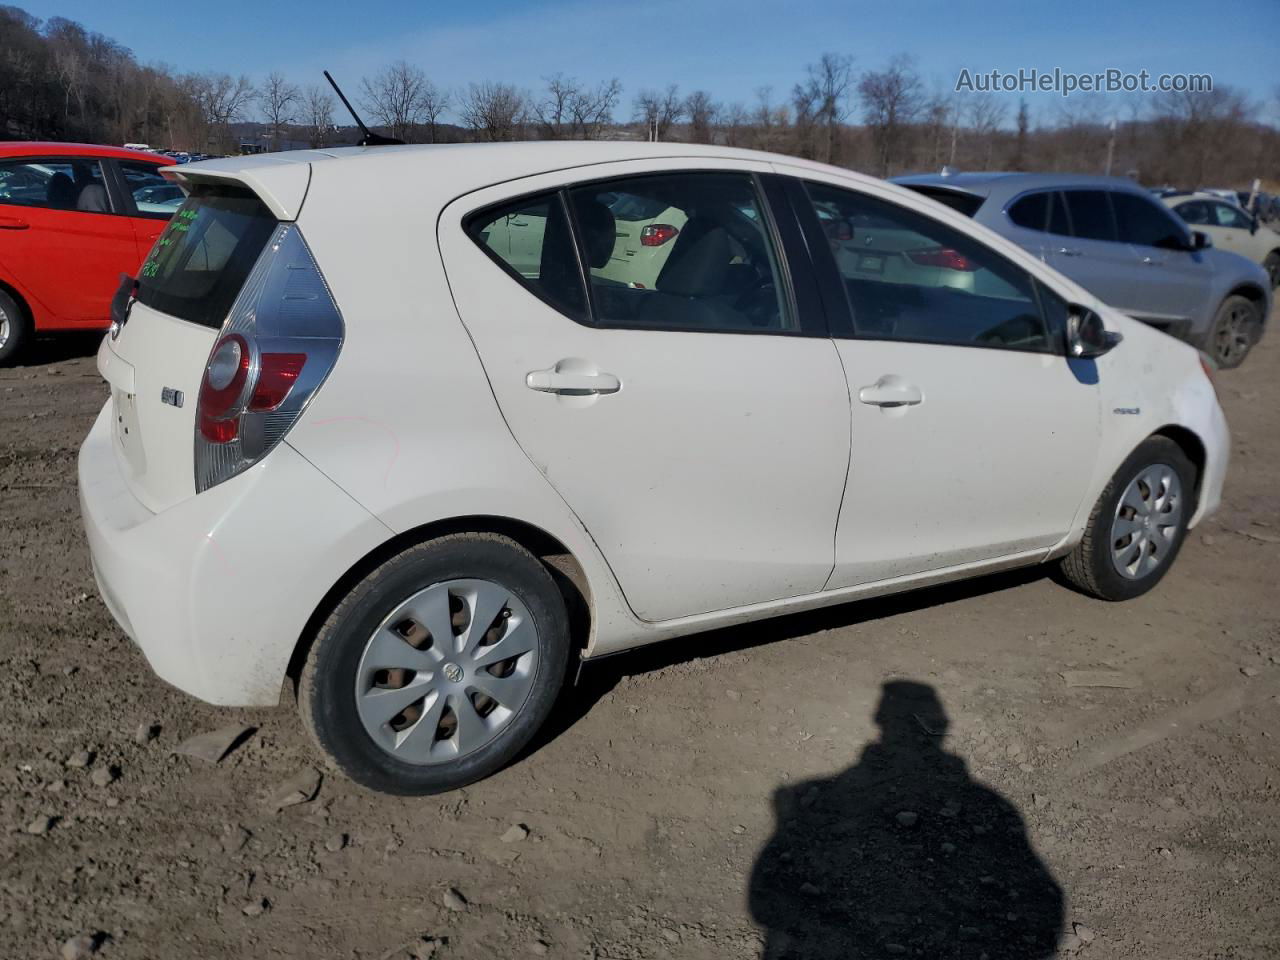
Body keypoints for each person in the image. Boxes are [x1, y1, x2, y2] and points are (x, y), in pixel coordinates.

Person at [748, 680, 1063, 959]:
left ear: (879, 720)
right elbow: (1042, 910)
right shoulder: (988, 803)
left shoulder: (824, 794)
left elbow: (764, 903)